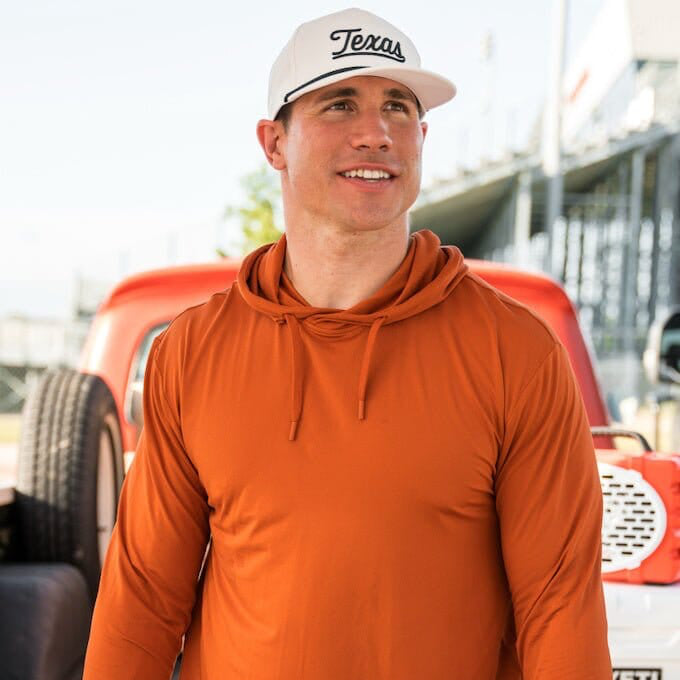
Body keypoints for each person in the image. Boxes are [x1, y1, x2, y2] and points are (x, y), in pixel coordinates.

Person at [82, 8, 612, 679]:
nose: (376, 133)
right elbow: (143, 601)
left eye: (398, 108)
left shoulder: (517, 352)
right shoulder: (191, 351)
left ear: (422, 138)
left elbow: (559, 608)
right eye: (340, 104)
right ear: (274, 143)